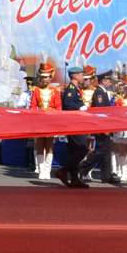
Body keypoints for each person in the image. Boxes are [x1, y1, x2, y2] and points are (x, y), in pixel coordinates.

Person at [55, 61, 89, 189]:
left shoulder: (75, 90)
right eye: (81, 75)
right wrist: (80, 108)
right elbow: (69, 104)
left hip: (76, 124)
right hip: (74, 124)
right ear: (75, 76)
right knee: (82, 149)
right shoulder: (71, 89)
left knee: (74, 151)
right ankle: (63, 171)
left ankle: (74, 179)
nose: (83, 77)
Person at [31, 54, 62, 180]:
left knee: (49, 145)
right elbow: (33, 106)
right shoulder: (36, 91)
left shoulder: (55, 91)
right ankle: (41, 170)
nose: (44, 80)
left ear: (50, 78)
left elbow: (58, 107)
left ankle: (47, 170)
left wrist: (55, 119)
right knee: (40, 145)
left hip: (51, 121)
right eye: (42, 77)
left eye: (46, 77)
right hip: (39, 121)